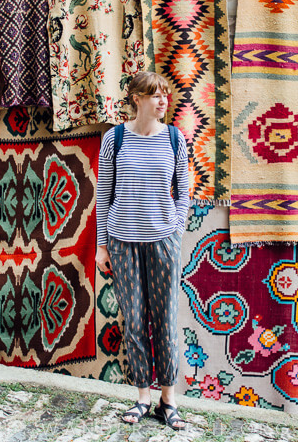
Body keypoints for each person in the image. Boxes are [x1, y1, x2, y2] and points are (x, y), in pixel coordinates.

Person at [95, 71, 190, 430]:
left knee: (164, 320)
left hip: (163, 241)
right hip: (122, 242)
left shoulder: (175, 139)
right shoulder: (114, 139)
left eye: (165, 94)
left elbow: (183, 191)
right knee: (134, 321)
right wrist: (101, 245)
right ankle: (142, 397)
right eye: (155, 95)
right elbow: (104, 194)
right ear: (137, 99)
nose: (163, 100)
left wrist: (176, 231)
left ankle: (168, 399)